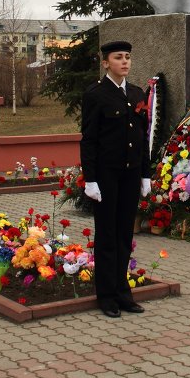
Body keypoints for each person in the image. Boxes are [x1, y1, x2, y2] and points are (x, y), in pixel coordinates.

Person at [80, 40, 152, 317]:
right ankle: (107, 296)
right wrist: (91, 179)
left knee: (124, 234)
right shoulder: (96, 94)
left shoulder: (135, 94)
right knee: (107, 235)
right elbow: (89, 140)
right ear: (106, 62)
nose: (125, 62)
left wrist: (145, 173)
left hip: (131, 174)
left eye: (128, 57)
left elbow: (141, 138)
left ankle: (124, 293)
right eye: (118, 57)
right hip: (107, 176)